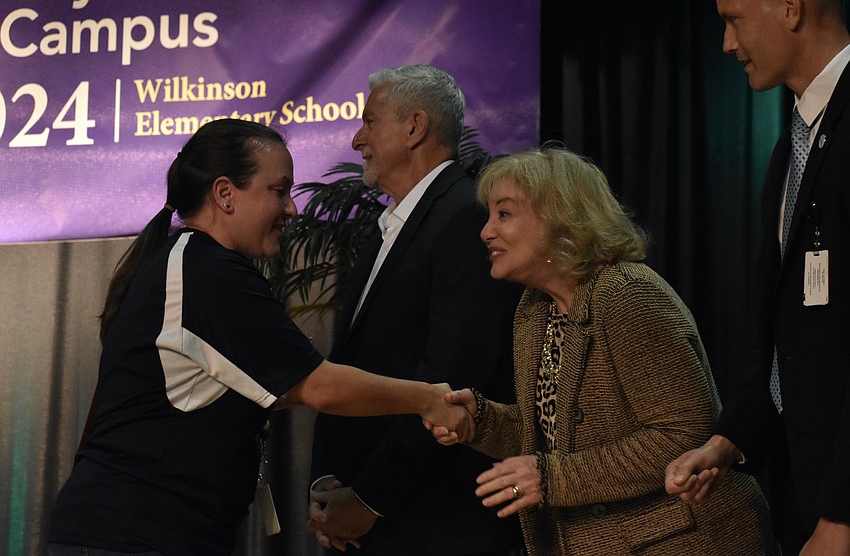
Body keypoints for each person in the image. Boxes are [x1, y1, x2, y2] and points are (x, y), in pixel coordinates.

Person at [45, 118, 473, 556]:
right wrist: (429, 398)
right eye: (278, 190)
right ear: (225, 193)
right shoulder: (208, 273)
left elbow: (272, 392)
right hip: (133, 535)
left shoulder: (187, 264)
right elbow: (319, 385)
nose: (292, 209)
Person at [429, 146, 778, 555]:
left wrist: (552, 479)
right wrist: (483, 421)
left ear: (561, 217)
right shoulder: (534, 308)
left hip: (685, 539)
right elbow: (560, 437)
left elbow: (684, 436)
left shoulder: (628, 294)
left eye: (504, 214)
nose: (486, 231)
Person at [306, 64, 523, 555]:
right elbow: (350, 366)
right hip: (377, 520)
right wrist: (330, 490)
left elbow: (450, 379)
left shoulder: (466, 217)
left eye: (369, 120)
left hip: (433, 521)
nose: (357, 137)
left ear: (415, 126)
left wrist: (368, 500)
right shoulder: (388, 226)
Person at [665, 0, 850, 553]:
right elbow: (793, 338)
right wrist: (730, 438)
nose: (727, 43)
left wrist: (841, 515)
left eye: (732, 20)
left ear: (790, 6)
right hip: (806, 497)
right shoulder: (792, 146)